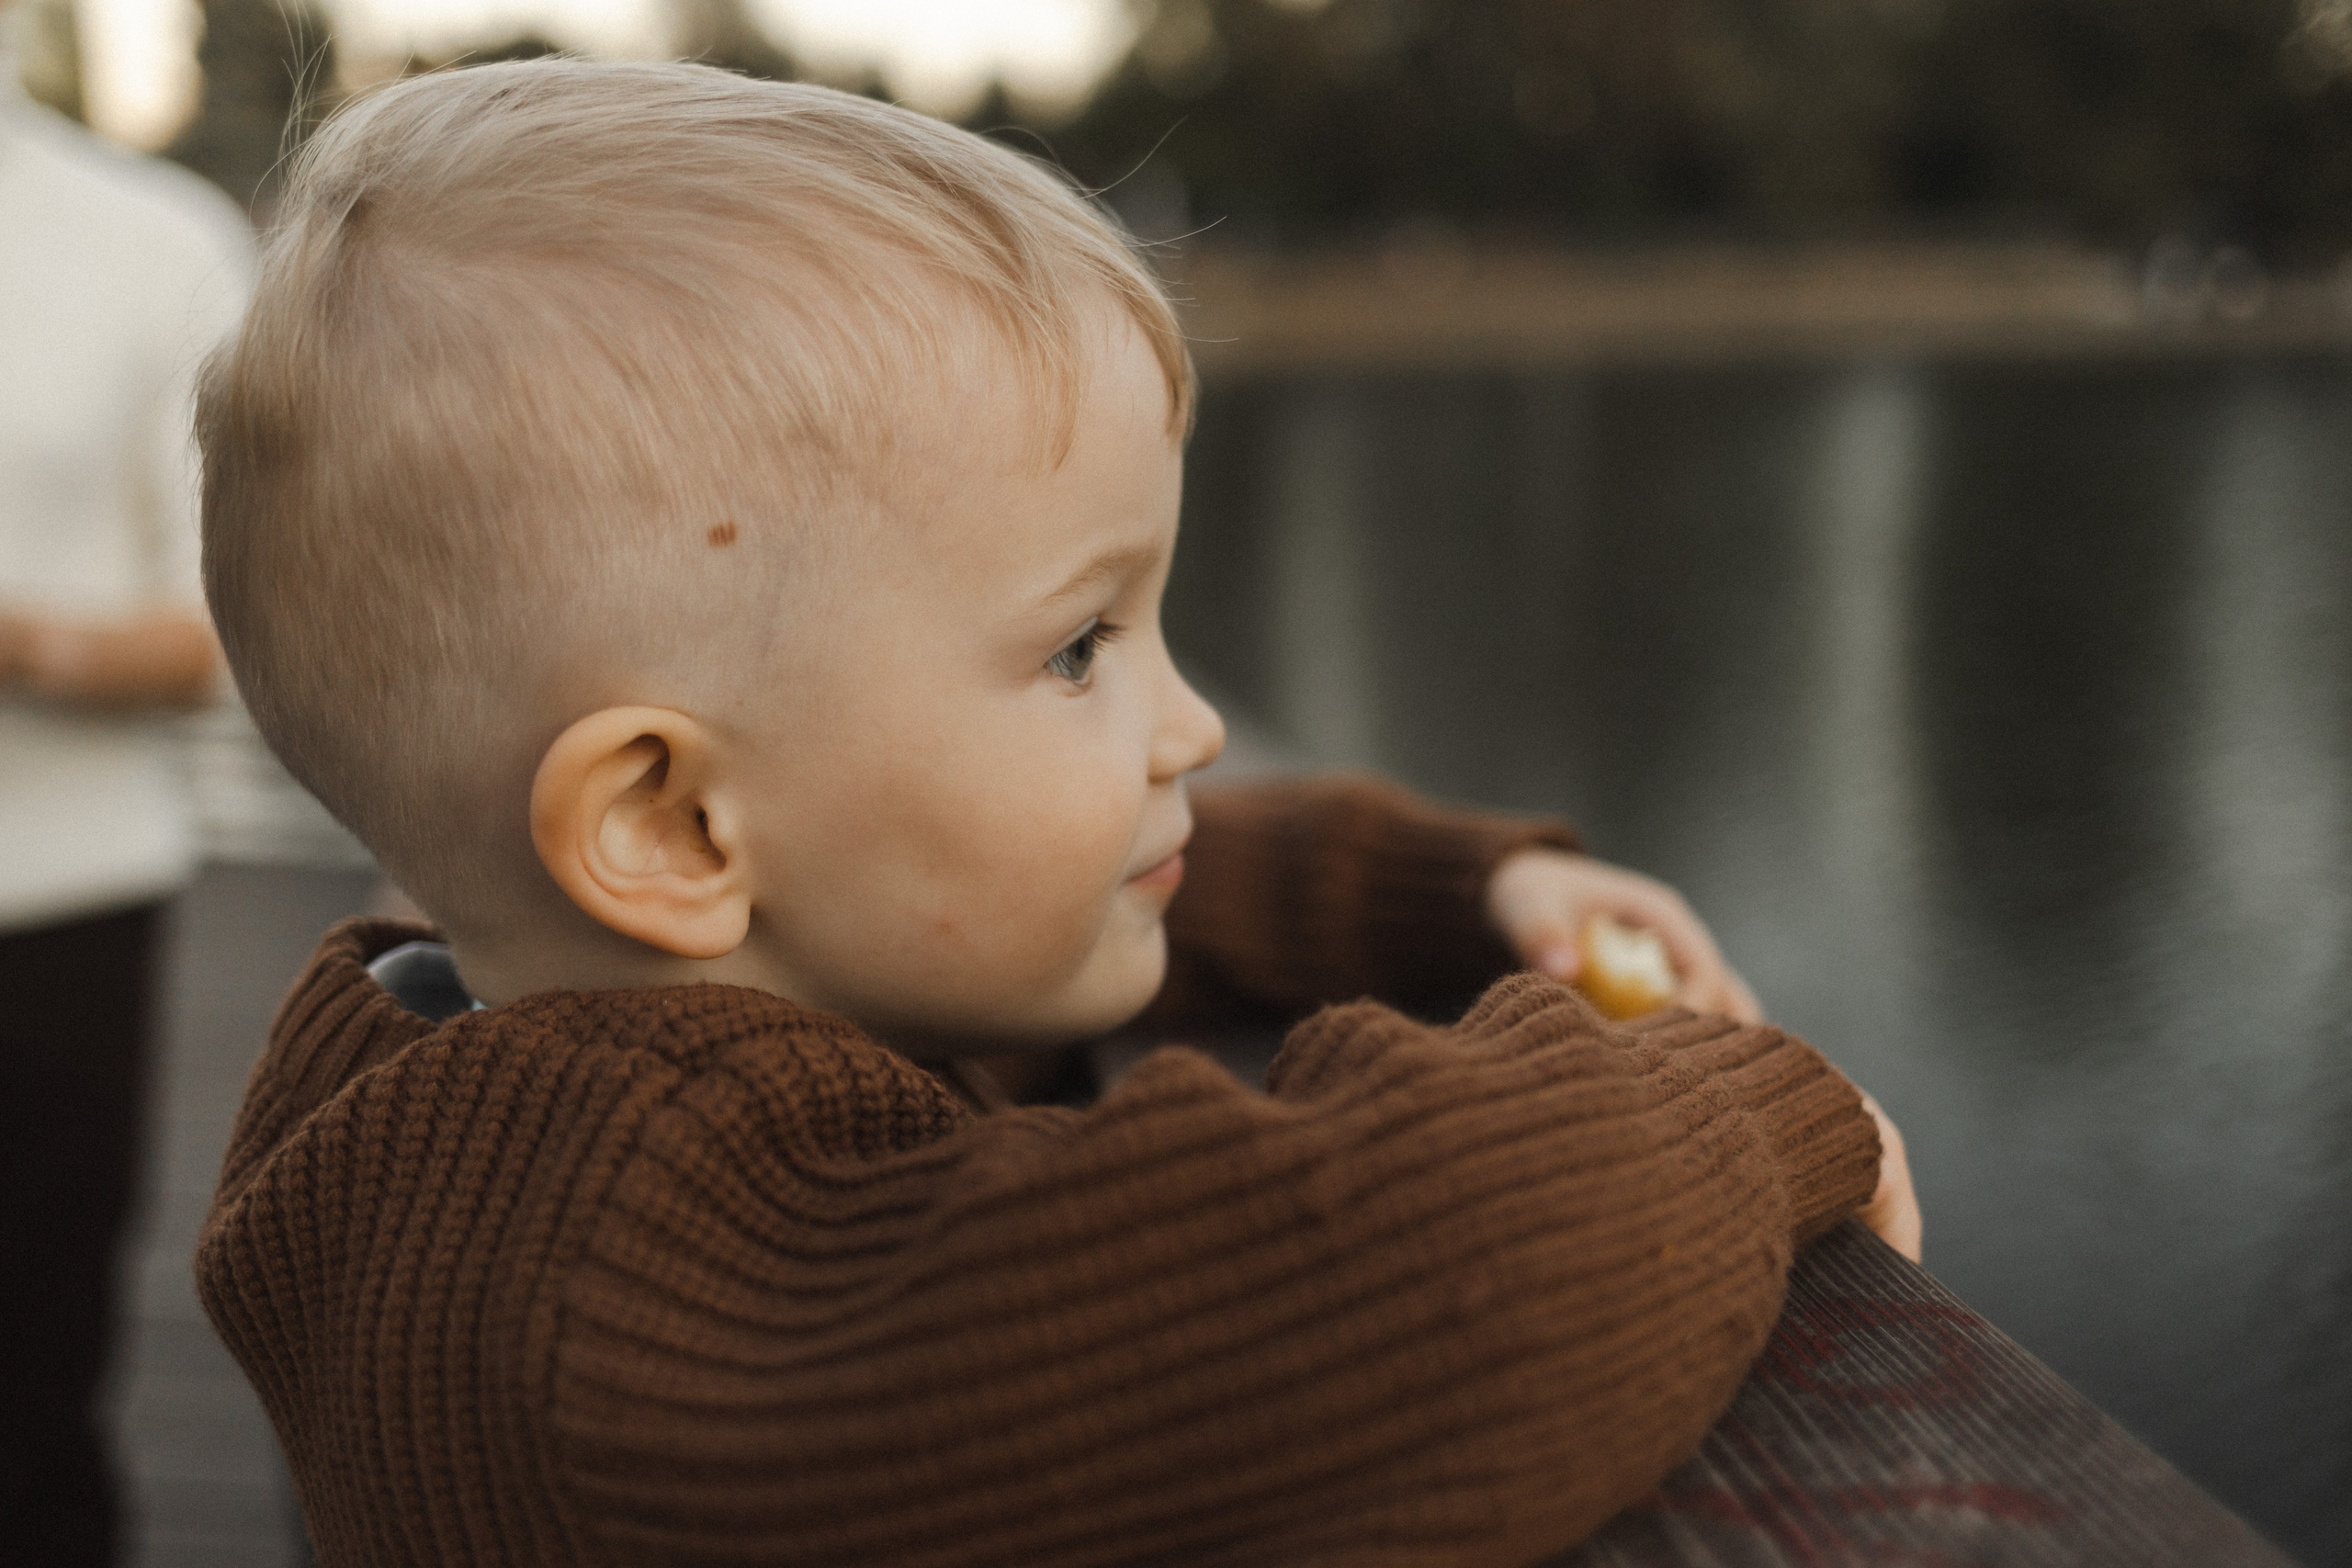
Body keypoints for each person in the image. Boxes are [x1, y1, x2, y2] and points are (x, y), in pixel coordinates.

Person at [193, 60, 1914, 1567]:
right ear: (671, 827)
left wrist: (1453, 893)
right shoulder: (665, 1320)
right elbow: (1464, 1277)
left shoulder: (478, 1033)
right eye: (1083, 644)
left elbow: (1012, 881)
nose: (1199, 723)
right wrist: (1766, 1116)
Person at [0, 20, 251, 1564]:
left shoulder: (155, 241)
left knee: (30, 1418)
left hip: (60, 921)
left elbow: (234, 622)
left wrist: (23, 639)